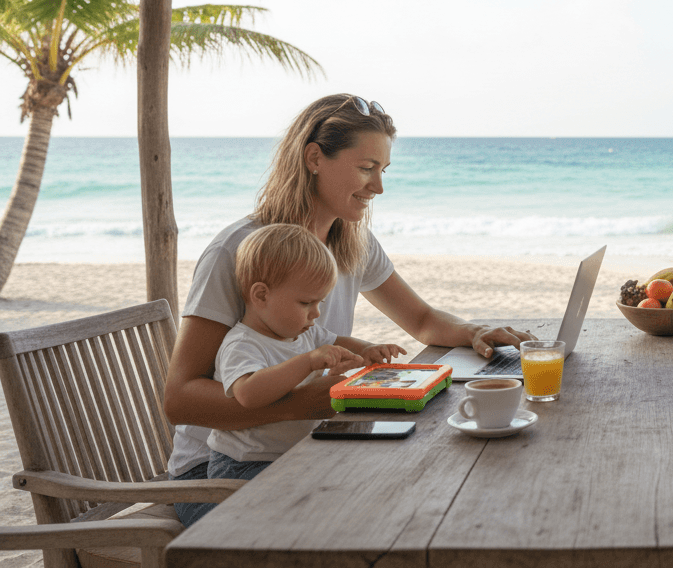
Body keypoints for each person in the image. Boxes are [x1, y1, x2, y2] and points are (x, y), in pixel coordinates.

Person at [165, 94, 533, 526]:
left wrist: (472, 331)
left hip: (298, 448)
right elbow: (180, 400)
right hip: (213, 474)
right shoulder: (242, 250)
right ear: (314, 158)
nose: (378, 188)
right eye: (366, 168)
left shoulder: (352, 241)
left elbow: (422, 321)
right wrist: (305, 402)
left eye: (382, 170)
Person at [207, 224, 406, 486]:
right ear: (261, 295)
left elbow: (340, 342)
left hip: (293, 455)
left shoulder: (305, 333)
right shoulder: (243, 344)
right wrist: (308, 362)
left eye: (320, 303)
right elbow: (247, 394)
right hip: (244, 465)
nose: (316, 314)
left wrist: (366, 350)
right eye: (306, 303)